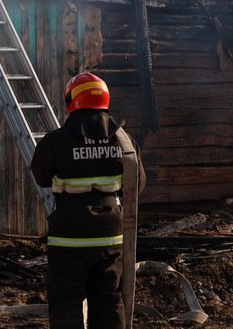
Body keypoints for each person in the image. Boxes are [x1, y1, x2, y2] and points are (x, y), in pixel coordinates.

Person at [31, 72, 146, 329]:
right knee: (108, 300)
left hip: (69, 234)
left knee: (67, 302)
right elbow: (136, 186)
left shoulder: (56, 141)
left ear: (71, 99)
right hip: (111, 235)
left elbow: (41, 177)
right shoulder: (124, 141)